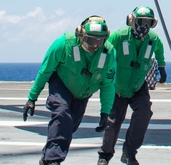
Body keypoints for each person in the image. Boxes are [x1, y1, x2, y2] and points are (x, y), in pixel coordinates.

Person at [23, 15, 117, 165]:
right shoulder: (63, 44)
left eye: (100, 41)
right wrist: (31, 98)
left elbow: (108, 84)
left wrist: (105, 112)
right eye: (91, 40)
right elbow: (45, 71)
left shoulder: (108, 52)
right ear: (80, 34)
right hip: (61, 83)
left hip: (83, 91)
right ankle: (53, 160)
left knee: (68, 128)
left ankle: (47, 156)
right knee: (62, 113)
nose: (95, 46)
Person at [95, 6, 167, 165]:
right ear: (132, 21)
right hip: (117, 87)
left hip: (138, 85)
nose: (144, 26)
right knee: (112, 122)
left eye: (149, 23)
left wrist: (161, 67)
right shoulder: (119, 36)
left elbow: (160, 49)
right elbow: (103, 51)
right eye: (141, 22)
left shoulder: (152, 39)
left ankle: (129, 152)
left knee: (144, 113)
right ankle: (105, 155)